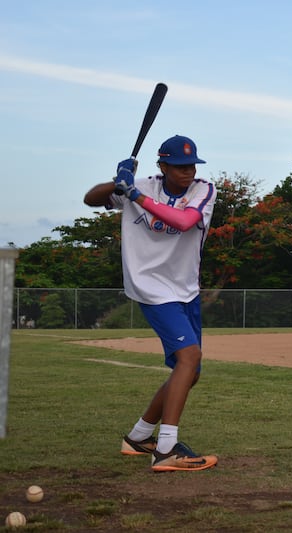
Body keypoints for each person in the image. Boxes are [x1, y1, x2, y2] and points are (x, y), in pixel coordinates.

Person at [84, 135, 218, 472]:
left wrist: (134, 195)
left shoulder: (203, 190)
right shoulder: (140, 185)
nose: (187, 171)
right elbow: (90, 199)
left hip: (185, 289)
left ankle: (139, 437)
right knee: (189, 357)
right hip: (150, 287)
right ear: (163, 166)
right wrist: (117, 183)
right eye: (179, 166)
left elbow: (184, 221)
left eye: (191, 165)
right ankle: (167, 449)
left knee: (190, 373)